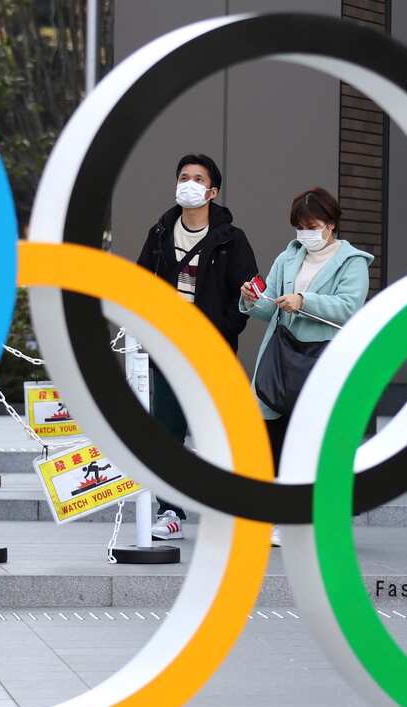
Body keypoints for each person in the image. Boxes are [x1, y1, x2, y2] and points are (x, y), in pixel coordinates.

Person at [240, 187, 373, 545]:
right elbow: (270, 306)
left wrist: (304, 301)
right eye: (299, 226)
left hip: (322, 361)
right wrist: (252, 299)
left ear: (330, 224)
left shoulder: (353, 262)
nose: (304, 233)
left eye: (311, 225)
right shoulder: (289, 257)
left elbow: (349, 307)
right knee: (273, 436)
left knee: (313, 440)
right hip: (281, 358)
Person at [136, 154, 258, 540]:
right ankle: (169, 512)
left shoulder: (231, 239)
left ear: (212, 191)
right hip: (168, 349)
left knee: (218, 433)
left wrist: (226, 327)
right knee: (167, 433)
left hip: (212, 351)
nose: (189, 183)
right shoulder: (159, 233)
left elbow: (248, 292)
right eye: (183, 177)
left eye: (197, 178)